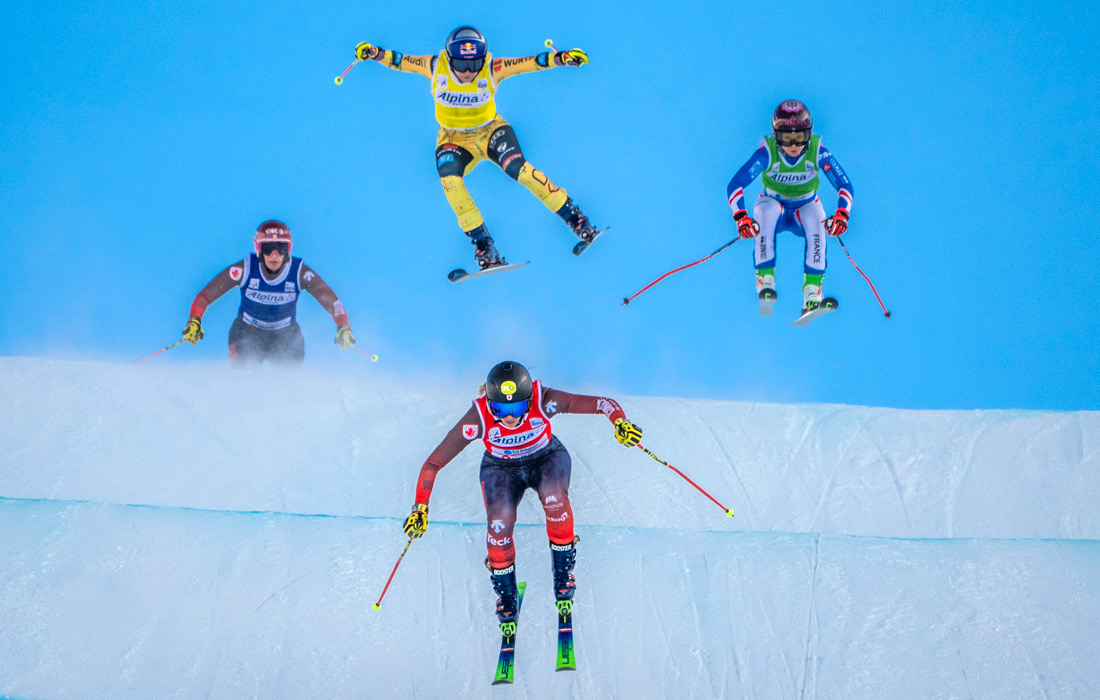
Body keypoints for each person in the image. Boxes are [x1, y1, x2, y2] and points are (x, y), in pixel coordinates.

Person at [401, 361, 643, 628]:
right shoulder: (479, 415)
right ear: (489, 402)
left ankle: (563, 574)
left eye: (516, 407)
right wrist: (419, 508)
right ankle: (506, 595)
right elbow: (433, 463)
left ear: (528, 400)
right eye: (500, 409)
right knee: (498, 526)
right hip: (501, 469)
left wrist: (620, 422)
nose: (509, 417)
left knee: (555, 500)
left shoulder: (544, 399)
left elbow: (602, 403)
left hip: (546, 459)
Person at [351, 27, 598, 269]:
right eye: (461, 65)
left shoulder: (492, 69)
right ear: (450, 59)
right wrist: (374, 52)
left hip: (489, 131)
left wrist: (562, 58)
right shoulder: (434, 66)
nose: (468, 72)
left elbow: (531, 63)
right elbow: (399, 61)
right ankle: (483, 244)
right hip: (453, 139)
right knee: (450, 182)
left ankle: (575, 218)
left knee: (517, 169)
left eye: (474, 63)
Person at [725, 99, 855, 314]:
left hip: (803, 212)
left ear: (808, 134)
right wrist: (741, 217)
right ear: (777, 136)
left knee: (816, 215)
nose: (793, 145)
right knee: (766, 209)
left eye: (800, 137)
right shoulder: (766, 153)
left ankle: (813, 290)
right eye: (786, 138)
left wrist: (842, 214)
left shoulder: (818, 151)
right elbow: (735, 184)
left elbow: (845, 185)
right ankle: (765, 278)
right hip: (775, 208)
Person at [182, 220, 357, 365]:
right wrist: (194, 321)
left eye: (280, 248)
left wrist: (343, 327)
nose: (274, 255)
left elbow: (333, 302)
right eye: (268, 248)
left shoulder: (299, 272)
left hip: (286, 335)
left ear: (288, 250)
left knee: (291, 385)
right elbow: (205, 295)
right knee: (245, 371)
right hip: (247, 332)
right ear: (258, 249)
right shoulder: (245, 269)